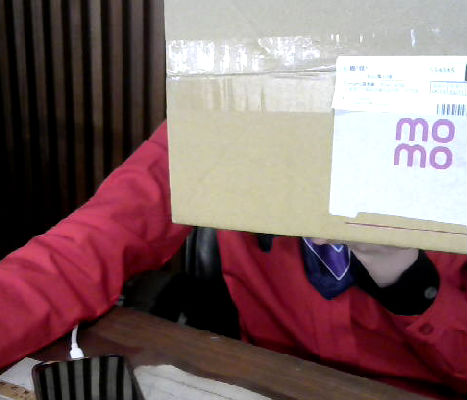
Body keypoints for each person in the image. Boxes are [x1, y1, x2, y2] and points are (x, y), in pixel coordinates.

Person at [0, 121, 465, 398]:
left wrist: (406, 278)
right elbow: (84, 249)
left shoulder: (445, 132)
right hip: (261, 379)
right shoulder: (227, 110)